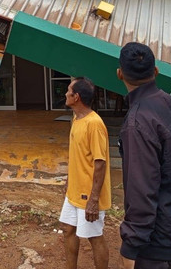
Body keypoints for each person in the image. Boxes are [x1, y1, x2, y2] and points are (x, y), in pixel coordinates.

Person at [117, 42, 171, 269]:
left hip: (156, 241)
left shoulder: (138, 122)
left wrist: (131, 245)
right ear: (156, 71)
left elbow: (142, 187)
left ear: (120, 73)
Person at [59, 76, 111, 269]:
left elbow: (100, 163)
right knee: (68, 229)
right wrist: (69, 180)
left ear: (76, 97)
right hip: (74, 190)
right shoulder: (76, 118)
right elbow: (78, 156)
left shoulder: (94, 124)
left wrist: (94, 199)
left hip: (89, 194)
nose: (65, 94)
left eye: (68, 90)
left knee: (94, 237)